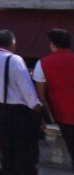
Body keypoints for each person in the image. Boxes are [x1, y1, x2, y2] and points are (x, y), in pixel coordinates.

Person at [0, 28, 54, 175]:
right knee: (27, 156)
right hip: (19, 112)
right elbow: (26, 88)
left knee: (8, 154)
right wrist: (38, 108)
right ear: (12, 42)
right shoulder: (14, 60)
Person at [32, 27, 74, 167]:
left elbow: (41, 96)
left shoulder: (43, 63)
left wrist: (43, 117)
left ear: (52, 44)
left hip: (64, 115)